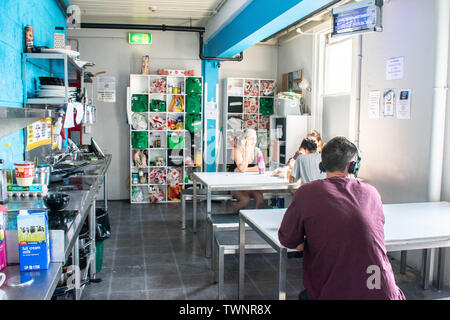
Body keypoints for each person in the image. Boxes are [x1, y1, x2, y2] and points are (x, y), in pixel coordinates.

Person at [278, 136, 405, 300]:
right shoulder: (371, 192)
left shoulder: (306, 193)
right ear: (352, 166)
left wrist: (310, 242)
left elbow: (288, 239)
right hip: (382, 291)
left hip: (331, 292)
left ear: (322, 165)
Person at [230, 129, 264, 214]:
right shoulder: (237, 150)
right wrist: (247, 153)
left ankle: (254, 216)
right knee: (245, 200)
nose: (253, 141)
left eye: (255, 139)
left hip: (249, 185)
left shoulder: (257, 151)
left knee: (259, 197)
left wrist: (243, 170)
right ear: (244, 139)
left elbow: (261, 168)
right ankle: (233, 216)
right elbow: (242, 168)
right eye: (251, 139)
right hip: (235, 185)